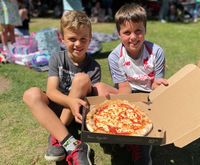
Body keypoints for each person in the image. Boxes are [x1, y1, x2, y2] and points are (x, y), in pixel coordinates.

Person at [23, 10, 118, 164]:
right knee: (30, 94)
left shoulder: (94, 66)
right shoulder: (57, 58)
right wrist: (69, 101)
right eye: (72, 39)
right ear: (62, 38)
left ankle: (57, 134)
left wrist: (74, 102)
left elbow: (89, 102)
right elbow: (52, 91)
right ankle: (74, 145)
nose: (78, 44)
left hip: (78, 114)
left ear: (90, 39)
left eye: (83, 39)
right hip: (59, 107)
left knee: (81, 79)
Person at [108, 3, 168, 165]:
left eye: (138, 31)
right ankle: (122, 139)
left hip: (150, 95)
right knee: (103, 91)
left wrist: (158, 86)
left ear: (145, 30)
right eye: (127, 32)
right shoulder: (114, 57)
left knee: (148, 123)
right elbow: (123, 87)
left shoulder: (156, 52)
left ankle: (142, 148)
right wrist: (130, 107)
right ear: (119, 34)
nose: (133, 37)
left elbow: (156, 84)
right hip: (128, 92)